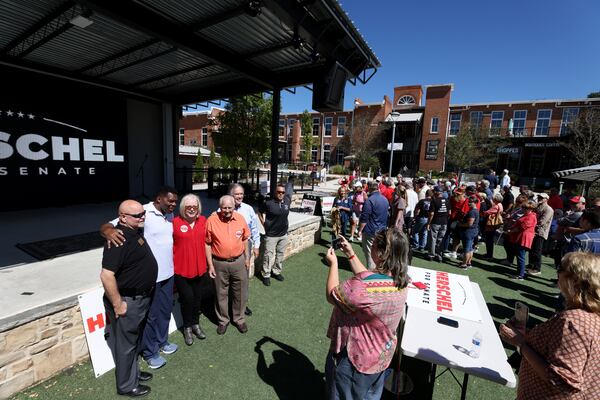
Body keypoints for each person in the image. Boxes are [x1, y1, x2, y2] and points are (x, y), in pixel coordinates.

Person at [499, 252, 600, 400]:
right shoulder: (590, 316)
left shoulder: (573, 321)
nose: (557, 273)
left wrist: (520, 343)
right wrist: (530, 337)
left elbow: (563, 381)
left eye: (560, 268)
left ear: (575, 281)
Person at [324, 229, 409, 400]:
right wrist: (351, 254)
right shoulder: (402, 280)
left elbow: (332, 294)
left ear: (380, 252)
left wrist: (334, 264)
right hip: (380, 355)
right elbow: (371, 280)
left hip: (354, 360)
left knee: (343, 394)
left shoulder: (362, 288)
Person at [101, 186, 179, 369]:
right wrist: (108, 232)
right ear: (159, 199)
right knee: (151, 317)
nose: (174, 204)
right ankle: (150, 352)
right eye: (171, 201)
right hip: (152, 279)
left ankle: (162, 342)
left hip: (168, 274)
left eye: (176, 201)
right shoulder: (142, 212)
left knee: (164, 311)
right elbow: (108, 225)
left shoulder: (169, 214)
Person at [100, 200, 157, 397]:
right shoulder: (118, 238)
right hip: (128, 301)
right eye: (137, 215)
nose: (142, 217)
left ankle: (133, 374)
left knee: (133, 341)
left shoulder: (133, 230)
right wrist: (118, 304)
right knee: (126, 346)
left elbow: (105, 225)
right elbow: (106, 275)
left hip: (140, 298)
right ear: (123, 217)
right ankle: (126, 386)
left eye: (143, 213)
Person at [206, 195, 251, 334]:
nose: (227, 210)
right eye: (224, 208)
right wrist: (210, 265)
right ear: (220, 207)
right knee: (221, 293)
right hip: (219, 263)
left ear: (234, 207)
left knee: (241, 292)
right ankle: (223, 321)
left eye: (229, 207)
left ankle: (239, 319)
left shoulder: (240, 219)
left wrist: (247, 257)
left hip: (239, 261)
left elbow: (245, 239)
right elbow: (207, 243)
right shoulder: (212, 220)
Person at [173, 194, 208, 346]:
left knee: (197, 298)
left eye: (194, 206)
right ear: (183, 208)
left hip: (200, 269)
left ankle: (195, 324)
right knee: (187, 299)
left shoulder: (204, 221)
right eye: (188, 207)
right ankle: (187, 327)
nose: (192, 209)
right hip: (181, 270)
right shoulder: (174, 223)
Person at [229, 183, 261, 316]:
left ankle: (242, 304)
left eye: (241, 194)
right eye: (236, 194)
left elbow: (254, 228)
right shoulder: (223, 209)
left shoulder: (248, 209)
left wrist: (257, 245)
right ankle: (230, 304)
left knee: (244, 278)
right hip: (228, 248)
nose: (239, 196)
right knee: (229, 277)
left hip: (245, 246)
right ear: (231, 195)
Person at [259, 183, 291, 286]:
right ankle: (266, 275)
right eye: (279, 192)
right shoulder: (268, 203)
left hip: (283, 234)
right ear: (275, 192)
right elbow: (260, 212)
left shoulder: (287, 201)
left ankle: (276, 271)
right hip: (271, 235)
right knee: (268, 256)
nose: (281, 194)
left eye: (283, 192)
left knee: (280, 254)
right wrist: (264, 224)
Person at [358, 181, 389, 270]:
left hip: (371, 230)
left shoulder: (370, 200)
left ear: (370, 188)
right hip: (382, 230)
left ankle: (371, 273)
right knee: (379, 252)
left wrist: (360, 230)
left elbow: (364, 217)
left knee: (370, 253)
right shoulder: (385, 199)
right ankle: (380, 270)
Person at [507, 200, 538, 280]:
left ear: (531, 208)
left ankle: (520, 275)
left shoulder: (531, 216)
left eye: (525, 208)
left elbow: (522, 227)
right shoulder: (527, 215)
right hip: (521, 237)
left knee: (521, 256)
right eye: (523, 207)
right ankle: (519, 273)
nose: (523, 209)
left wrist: (511, 231)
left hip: (524, 238)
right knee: (519, 256)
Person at [526, 193, 553, 275]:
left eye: (542, 197)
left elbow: (542, 222)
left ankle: (537, 268)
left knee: (537, 250)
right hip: (534, 230)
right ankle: (531, 265)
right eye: (539, 197)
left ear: (546, 199)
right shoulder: (538, 206)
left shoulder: (549, 209)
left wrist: (531, 223)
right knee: (531, 249)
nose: (539, 198)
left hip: (541, 232)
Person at [426, 187, 449, 262]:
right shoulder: (447, 200)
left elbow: (431, 213)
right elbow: (449, 213)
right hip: (444, 222)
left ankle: (431, 255)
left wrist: (428, 223)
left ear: (436, 192)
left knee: (433, 239)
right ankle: (439, 255)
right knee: (440, 239)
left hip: (435, 222)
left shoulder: (434, 201)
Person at [458, 197, 480, 269]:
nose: (469, 203)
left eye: (471, 202)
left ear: (475, 202)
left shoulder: (472, 212)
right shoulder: (475, 210)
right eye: (469, 201)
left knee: (467, 249)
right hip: (473, 231)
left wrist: (460, 224)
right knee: (470, 248)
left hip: (469, 232)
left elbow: (469, 224)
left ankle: (464, 264)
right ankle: (468, 263)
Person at [482, 193, 503, 259]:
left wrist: (482, 212)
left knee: (489, 240)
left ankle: (489, 255)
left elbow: (488, 212)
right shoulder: (500, 205)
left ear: (496, 199)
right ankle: (489, 254)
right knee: (490, 239)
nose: (492, 199)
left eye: (494, 198)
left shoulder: (496, 206)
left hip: (491, 224)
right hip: (494, 225)